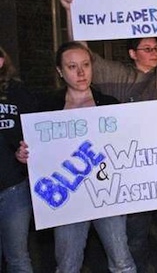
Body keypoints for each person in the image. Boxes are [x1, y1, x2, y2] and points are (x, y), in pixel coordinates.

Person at [60, 0, 157, 273]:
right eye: (147, 48)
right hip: (134, 172)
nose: (155, 52)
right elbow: (80, 53)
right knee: (136, 237)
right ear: (132, 53)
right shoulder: (116, 76)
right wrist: (70, 11)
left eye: (156, 48)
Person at [16, 41, 136, 273]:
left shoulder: (110, 105)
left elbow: (133, 144)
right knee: (68, 265)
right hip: (68, 197)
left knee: (122, 262)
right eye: (72, 67)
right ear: (60, 71)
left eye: (85, 65)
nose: (81, 73)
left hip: (107, 196)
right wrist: (24, 155)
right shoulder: (46, 108)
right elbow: (35, 152)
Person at [0, 46, 36, 272]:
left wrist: (26, 149)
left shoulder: (18, 92)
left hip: (13, 188)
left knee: (17, 258)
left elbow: (36, 132)